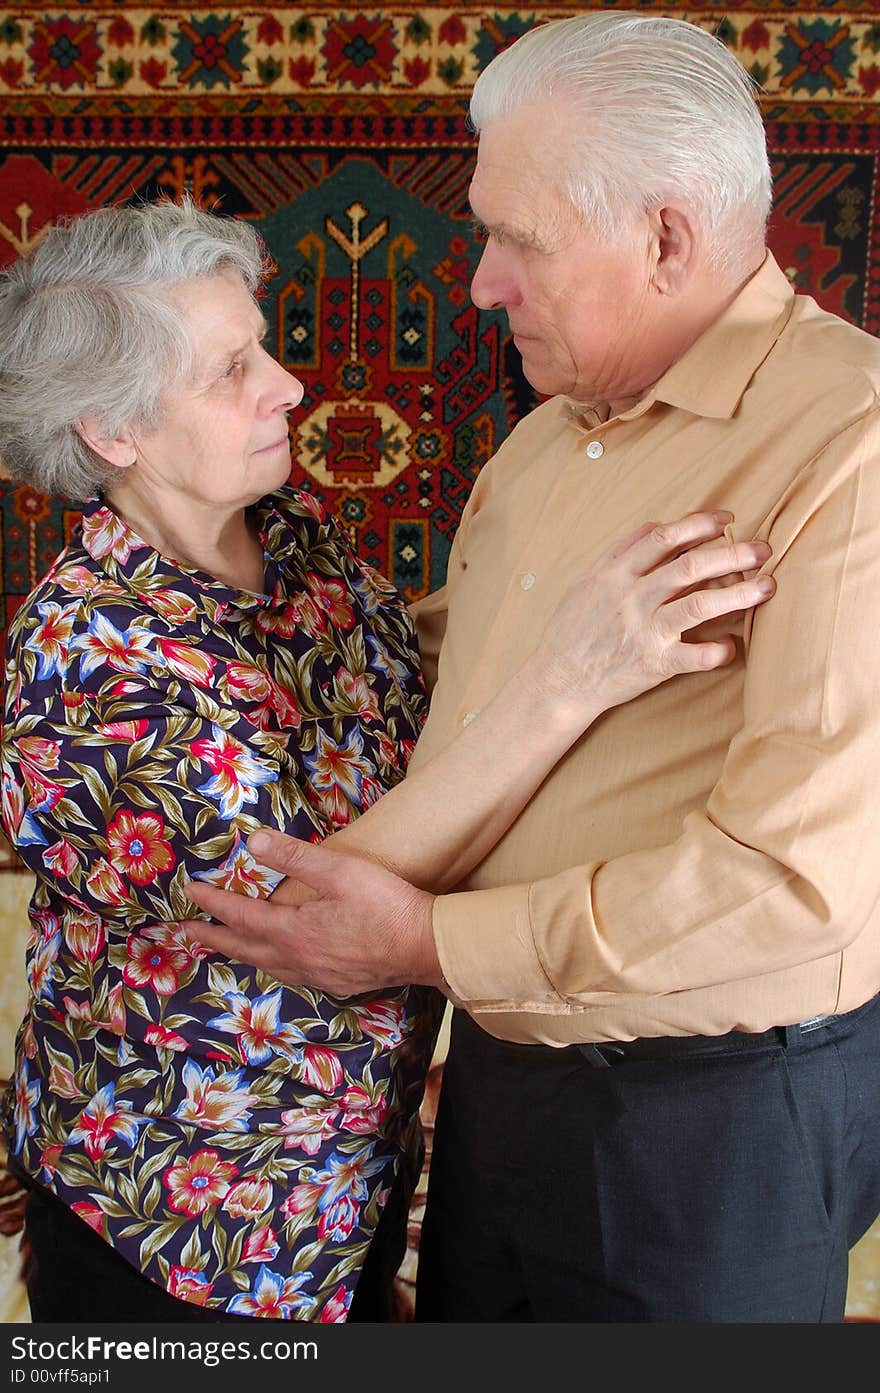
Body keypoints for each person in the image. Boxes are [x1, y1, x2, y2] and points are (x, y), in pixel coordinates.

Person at [186, 12, 880, 1325]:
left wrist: (430, 939)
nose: (481, 283)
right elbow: (438, 679)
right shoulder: (561, 436)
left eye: (519, 240)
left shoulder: (853, 445)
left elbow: (796, 884)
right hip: (506, 1071)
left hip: (706, 1117)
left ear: (666, 237)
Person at [0, 196, 769, 1323]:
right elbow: (298, 908)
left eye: (260, 345)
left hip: (349, 1199)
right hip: (175, 1233)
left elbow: (429, 712)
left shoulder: (300, 541)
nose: (289, 385)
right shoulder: (82, 657)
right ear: (112, 432)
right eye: (230, 370)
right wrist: (571, 675)